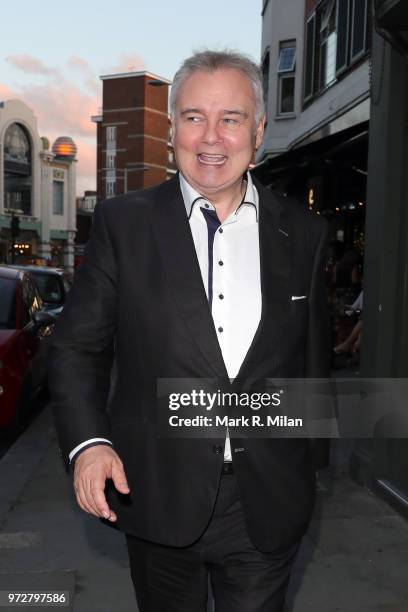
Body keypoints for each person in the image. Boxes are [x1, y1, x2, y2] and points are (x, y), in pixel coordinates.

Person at [48, 50, 331, 612]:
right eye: (195, 116)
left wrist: (307, 467)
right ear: (173, 127)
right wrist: (89, 444)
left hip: (267, 504)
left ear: (258, 130)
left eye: (230, 118)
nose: (212, 137)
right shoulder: (123, 224)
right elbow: (78, 347)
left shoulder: (304, 232)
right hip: (155, 493)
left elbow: (310, 361)